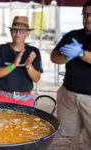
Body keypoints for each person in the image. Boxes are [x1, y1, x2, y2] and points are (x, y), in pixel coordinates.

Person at [51, 1, 91, 149]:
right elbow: (54, 57)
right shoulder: (73, 35)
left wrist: (80, 53)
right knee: (68, 137)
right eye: (85, 14)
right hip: (68, 94)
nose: (88, 19)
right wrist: (66, 57)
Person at [0, 16, 43, 107]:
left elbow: (36, 79)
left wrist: (28, 65)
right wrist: (14, 64)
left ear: (27, 33)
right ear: (10, 32)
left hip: (25, 99)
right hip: (2, 97)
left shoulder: (33, 51)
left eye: (22, 31)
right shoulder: (1, 49)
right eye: (14, 30)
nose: (17, 33)